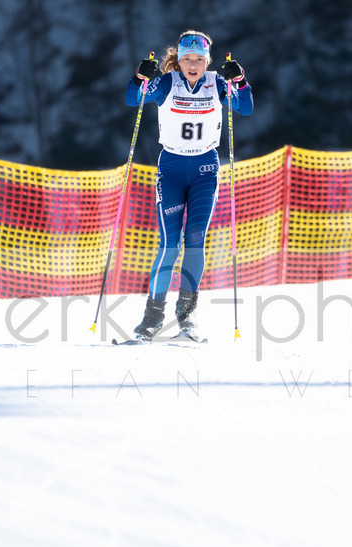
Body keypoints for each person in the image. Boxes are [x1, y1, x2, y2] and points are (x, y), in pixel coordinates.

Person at [126, 30, 253, 340]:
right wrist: (140, 77)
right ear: (179, 61)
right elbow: (133, 98)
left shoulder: (217, 83)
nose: (193, 65)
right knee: (169, 245)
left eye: (199, 59)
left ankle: (186, 316)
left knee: (195, 239)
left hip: (205, 169)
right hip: (171, 168)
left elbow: (245, 107)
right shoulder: (167, 83)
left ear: (207, 62)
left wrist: (239, 81)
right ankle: (152, 317)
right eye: (187, 59)